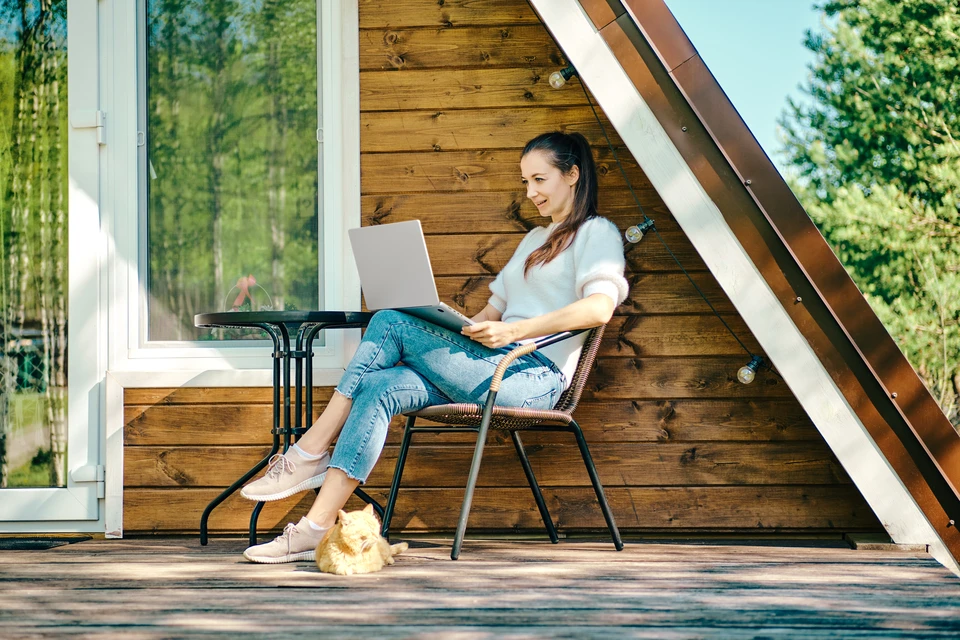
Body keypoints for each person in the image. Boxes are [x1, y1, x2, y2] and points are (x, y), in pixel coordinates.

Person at [240, 131, 629, 563]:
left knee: (389, 321)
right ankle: (314, 529)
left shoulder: (597, 233)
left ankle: (309, 450)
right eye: (525, 182)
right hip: (488, 365)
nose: (530, 192)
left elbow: (599, 308)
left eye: (539, 179)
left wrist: (515, 332)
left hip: (529, 377)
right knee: (381, 385)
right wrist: (447, 330)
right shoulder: (534, 240)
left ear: (572, 174)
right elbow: (489, 314)